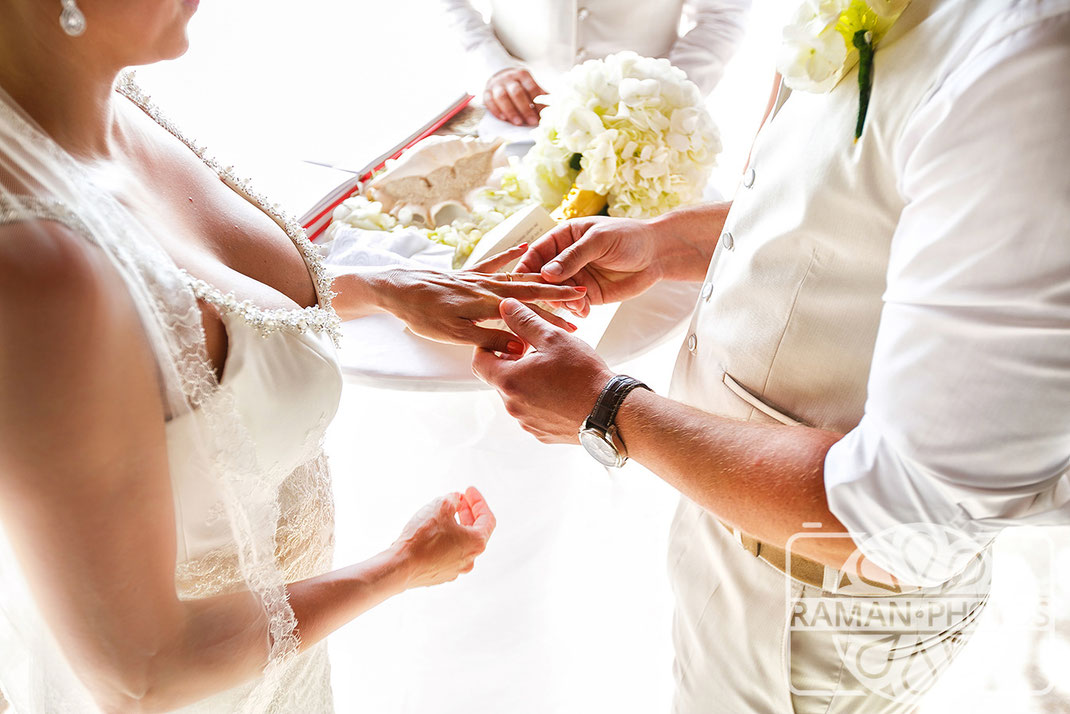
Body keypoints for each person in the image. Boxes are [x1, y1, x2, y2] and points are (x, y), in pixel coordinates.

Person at [474, 0, 1070, 711]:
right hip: (739, 522)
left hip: (818, 598)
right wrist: (667, 243)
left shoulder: (1027, 68)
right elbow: (854, 208)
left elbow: (913, 522)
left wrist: (606, 409)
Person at [0, 0, 588, 711]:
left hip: (278, 661)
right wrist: (401, 566)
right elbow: (143, 671)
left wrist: (374, 286)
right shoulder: (35, 273)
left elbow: (178, 325)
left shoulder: (112, 91)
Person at [441, 0, 751, 125]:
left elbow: (721, 16)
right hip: (516, 112)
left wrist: (667, 96)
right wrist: (493, 66)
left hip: (644, 122)